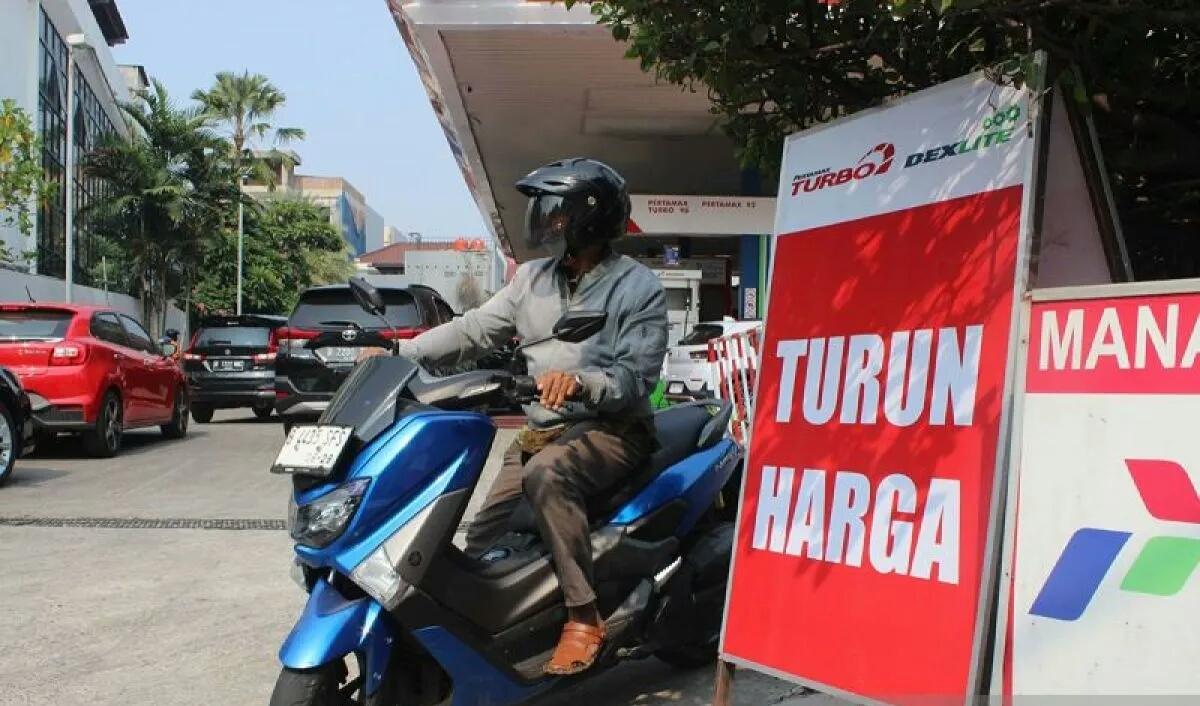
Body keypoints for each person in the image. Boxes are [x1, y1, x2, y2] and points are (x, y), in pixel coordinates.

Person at [394, 157, 668, 675]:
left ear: (590, 217)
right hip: (544, 431)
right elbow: (474, 329)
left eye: (559, 212)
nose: (548, 221)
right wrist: (400, 353)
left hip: (612, 428)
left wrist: (581, 383)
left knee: (547, 475)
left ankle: (584, 616)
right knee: (482, 537)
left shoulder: (638, 287)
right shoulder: (531, 279)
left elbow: (636, 377)